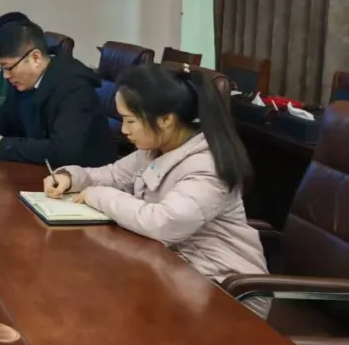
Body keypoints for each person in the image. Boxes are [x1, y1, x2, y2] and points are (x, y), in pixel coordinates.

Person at [42, 63, 268, 284]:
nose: (124, 130)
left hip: (221, 283)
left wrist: (98, 195)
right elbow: (113, 175)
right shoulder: (155, 149)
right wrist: (70, 177)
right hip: (173, 267)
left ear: (166, 119)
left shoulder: (207, 167)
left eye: (130, 121)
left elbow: (163, 223)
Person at [0, 21, 115, 167]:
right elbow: (7, 117)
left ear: (36, 58)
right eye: (2, 68)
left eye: (9, 67)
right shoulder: (22, 81)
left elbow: (64, 151)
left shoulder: (75, 88)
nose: (6, 75)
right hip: (43, 172)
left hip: (85, 178)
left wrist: (2, 145)